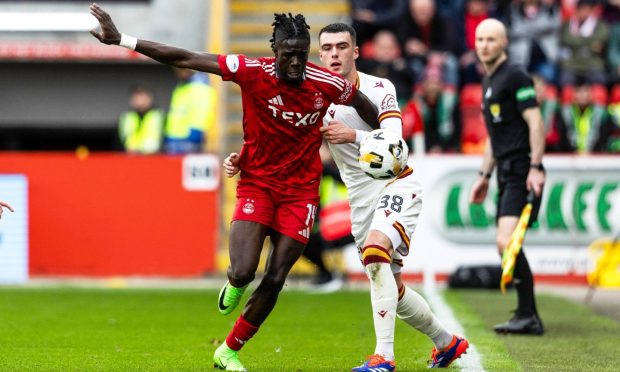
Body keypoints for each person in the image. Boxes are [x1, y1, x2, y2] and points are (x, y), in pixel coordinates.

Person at [89, 5, 381, 371]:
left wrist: (386, 131)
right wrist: (123, 40)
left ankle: (228, 351)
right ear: (274, 50)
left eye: (301, 56)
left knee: (276, 277)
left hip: (301, 192)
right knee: (244, 271)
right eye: (288, 55)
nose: (295, 64)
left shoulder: (327, 82)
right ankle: (235, 282)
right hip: (257, 184)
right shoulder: (251, 72)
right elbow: (187, 57)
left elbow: (362, 102)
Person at [224, 23, 469, 371]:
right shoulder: (315, 93)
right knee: (391, 288)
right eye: (328, 48)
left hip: (395, 184)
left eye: (342, 47)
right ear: (319, 54)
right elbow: (281, 139)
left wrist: (352, 134)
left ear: (355, 52)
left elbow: (396, 144)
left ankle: (383, 357)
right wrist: (242, 158)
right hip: (360, 199)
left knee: (374, 255)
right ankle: (447, 343)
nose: (335, 53)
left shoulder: (379, 87)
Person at [469, 18, 546, 335]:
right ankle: (527, 313)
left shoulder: (514, 75)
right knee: (506, 245)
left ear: (503, 43)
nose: (484, 44)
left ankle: (529, 315)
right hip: (504, 172)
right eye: (480, 39)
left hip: (522, 170)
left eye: (490, 39)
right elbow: (493, 136)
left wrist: (536, 167)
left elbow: (536, 121)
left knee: (507, 242)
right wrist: (484, 174)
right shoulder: (489, 81)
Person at [164, 68, 216, 154]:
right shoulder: (181, 86)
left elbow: (202, 111)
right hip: (174, 136)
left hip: (189, 137)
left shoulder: (199, 87)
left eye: (182, 70)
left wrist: (196, 131)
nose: (179, 73)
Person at [118, 85, 164, 154]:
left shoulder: (159, 116)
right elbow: (122, 140)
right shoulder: (127, 117)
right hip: (132, 157)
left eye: (142, 97)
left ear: (149, 98)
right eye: (136, 97)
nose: (139, 101)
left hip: (155, 157)